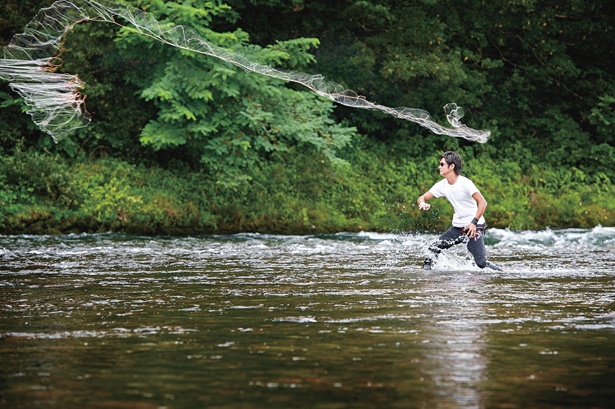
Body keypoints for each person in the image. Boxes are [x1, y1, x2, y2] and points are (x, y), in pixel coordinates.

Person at [416, 151, 502, 271]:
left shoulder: (465, 183)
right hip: (458, 226)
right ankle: (425, 275)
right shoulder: (442, 185)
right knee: (433, 248)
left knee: (481, 263)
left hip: (474, 225)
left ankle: (502, 273)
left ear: (451, 166)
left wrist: (474, 222)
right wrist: (423, 203)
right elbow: (422, 197)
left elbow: (483, 202)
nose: (439, 167)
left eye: (442, 164)